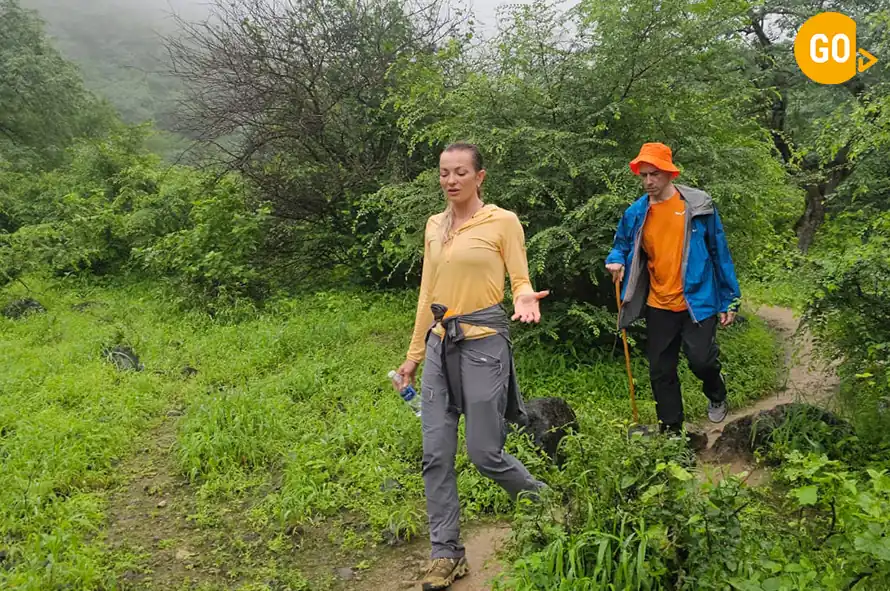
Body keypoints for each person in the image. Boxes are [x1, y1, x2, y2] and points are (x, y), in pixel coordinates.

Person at [395, 142, 550, 590]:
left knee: (484, 453)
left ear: (480, 177)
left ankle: (542, 502)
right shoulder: (434, 225)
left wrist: (524, 297)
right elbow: (428, 295)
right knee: (435, 452)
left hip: (484, 345)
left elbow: (520, 279)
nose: (451, 180)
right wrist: (413, 356)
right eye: (445, 172)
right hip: (440, 345)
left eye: (461, 172)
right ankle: (446, 553)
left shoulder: (502, 221)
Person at [605, 142, 741, 435]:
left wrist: (730, 300)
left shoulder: (698, 206)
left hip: (699, 300)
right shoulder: (636, 213)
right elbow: (622, 245)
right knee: (660, 370)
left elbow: (720, 252)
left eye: (654, 174)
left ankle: (716, 393)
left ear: (669, 174)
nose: (648, 181)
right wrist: (615, 261)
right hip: (659, 303)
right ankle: (671, 429)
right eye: (643, 175)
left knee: (701, 360)